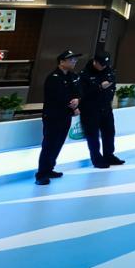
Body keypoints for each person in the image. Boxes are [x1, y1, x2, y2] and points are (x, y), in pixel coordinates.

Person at [36, 50, 80, 185]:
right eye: (71, 60)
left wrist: (77, 100)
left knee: (58, 143)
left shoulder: (72, 76)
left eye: (75, 59)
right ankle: (41, 174)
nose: (74, 62)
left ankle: (50, 168)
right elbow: (57, 97)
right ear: (61, 62)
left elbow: (77, 92)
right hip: (53, 116)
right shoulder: (53, 77)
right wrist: (72, 106)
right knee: (49, 144)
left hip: (66, 116)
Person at [79, 52, 125, 168]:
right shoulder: (85, 74)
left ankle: (109, 155)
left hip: (106, 107)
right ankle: (97, 158)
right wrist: (99, 87)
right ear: (95, 62)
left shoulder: (109, 70)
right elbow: (83, 93)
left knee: (109, 132)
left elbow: (112, 86)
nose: (104, 66)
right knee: (93, 135)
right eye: (102, 64)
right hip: (90, 109)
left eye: (106, 64)